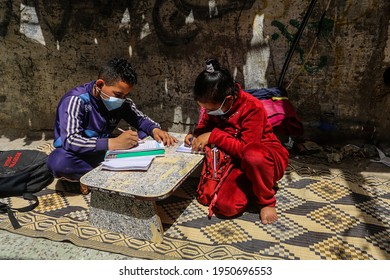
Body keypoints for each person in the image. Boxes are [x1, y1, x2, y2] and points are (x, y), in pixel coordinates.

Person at [47, 57, 177, 193]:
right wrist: (113, 143)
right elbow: (71, 140)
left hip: (104, 152)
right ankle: (98, 175)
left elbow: (140, 119)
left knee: (144, 135)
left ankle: (100, 176)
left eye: (125, 95)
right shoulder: (75, 100)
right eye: (118, 94)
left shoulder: (121, 102)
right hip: (79, 155)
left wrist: (155, 129)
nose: (121, 99)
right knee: (58, 162)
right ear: (99, 85)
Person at [185, 58, 289, 224]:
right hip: (234, 159)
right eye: (205, 109)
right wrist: (196, 135)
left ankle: (266, 199)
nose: (208, 112)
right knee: (224, 206)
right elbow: (204, 126)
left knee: (253, 156)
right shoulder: (213, 107)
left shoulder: (252, 107)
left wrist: (213, 136)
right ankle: (252, 186)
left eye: (211, 109)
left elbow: (245, 149)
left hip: (263, 160)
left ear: (228, 99)